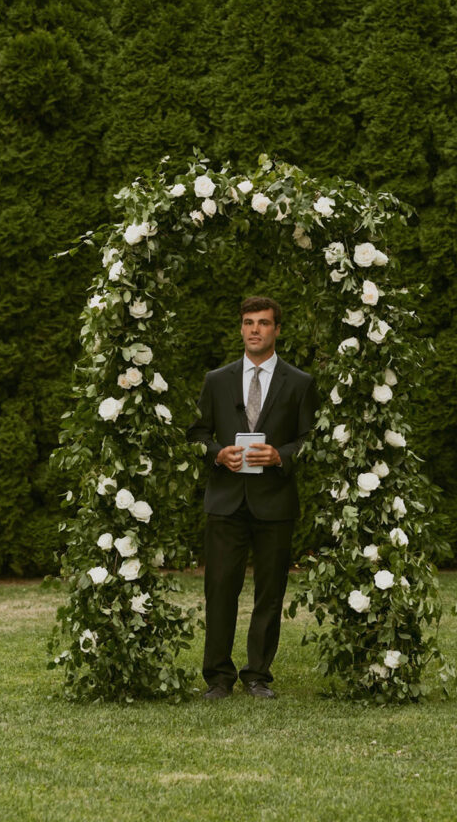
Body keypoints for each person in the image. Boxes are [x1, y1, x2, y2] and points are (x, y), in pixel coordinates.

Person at [187, 296, 318, 700]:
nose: (254, 329)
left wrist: (281, 455)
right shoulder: (217, 380)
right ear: (241, 328)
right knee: (219, 590)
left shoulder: (300, 382)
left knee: (270, 592)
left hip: (275, 502)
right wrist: (217, 453)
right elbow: (197, 434)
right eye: (248, 322)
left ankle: (257, 675)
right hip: (225, 501)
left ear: (277, 329)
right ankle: (218, 678)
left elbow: (311, 439)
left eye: (263, 322)